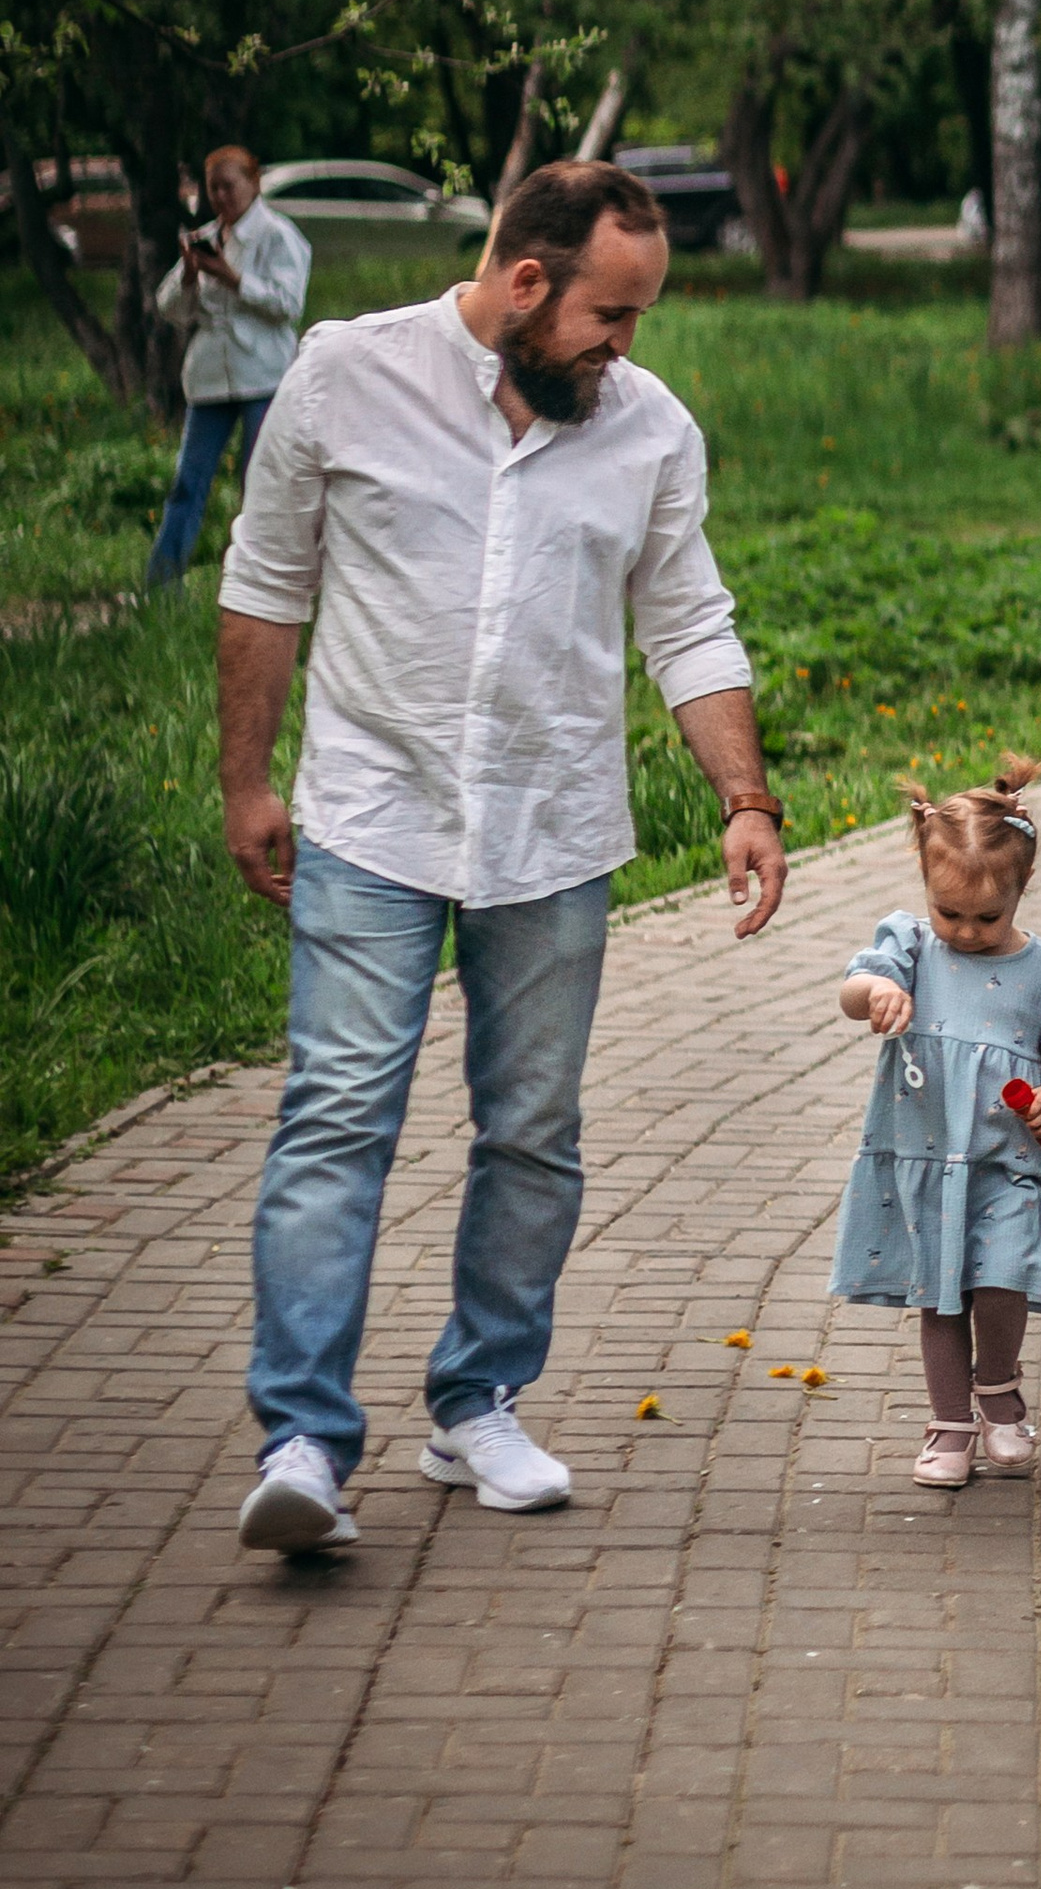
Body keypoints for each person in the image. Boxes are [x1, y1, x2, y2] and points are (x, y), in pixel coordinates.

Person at [216, 157, 788, 1561]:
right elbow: (265, 581)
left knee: (533, 1133)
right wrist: (245, 781)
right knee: (338, 1115)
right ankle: (302, 1438)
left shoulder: (647, 430)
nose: (625, 346)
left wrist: (746, 797)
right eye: (611, 313)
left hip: (554, 833)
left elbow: (691, 619)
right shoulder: (345, 375)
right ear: (525, 281)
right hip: (371, 817)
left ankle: (478, 1402)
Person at [832, 765, 1041, 1487]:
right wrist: (877, 990)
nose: (968, 931)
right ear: (925, 882)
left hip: (1009, 1160)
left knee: (1004, 1274)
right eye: (951, 913)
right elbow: (853, 991)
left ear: (1024, 885)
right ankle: (949, 1424)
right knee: (940, 1289)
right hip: (927, 1155)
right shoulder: (911, 948)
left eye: (988, 917)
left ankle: (1000, 1394)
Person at [145, 145, 311, 590]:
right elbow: (169, 309)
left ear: (253, 184)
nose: (220, 196)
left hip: (263, 374)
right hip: (210, 378)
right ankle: (161, 585)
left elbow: (288, 305)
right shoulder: (206, 236)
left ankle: (257, 584)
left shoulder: (279, 236)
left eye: (228, 186)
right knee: (187, 483)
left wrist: (232, 278)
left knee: (258, 484)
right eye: (213, 188)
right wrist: (190, 274)